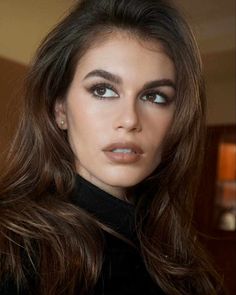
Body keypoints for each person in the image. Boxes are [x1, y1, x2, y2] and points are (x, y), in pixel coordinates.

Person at [0, 0, 224, 294]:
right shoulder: (13, 248)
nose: (130, 120)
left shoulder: (177, 252)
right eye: (103, 90)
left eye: (155, 96)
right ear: (60, 110)